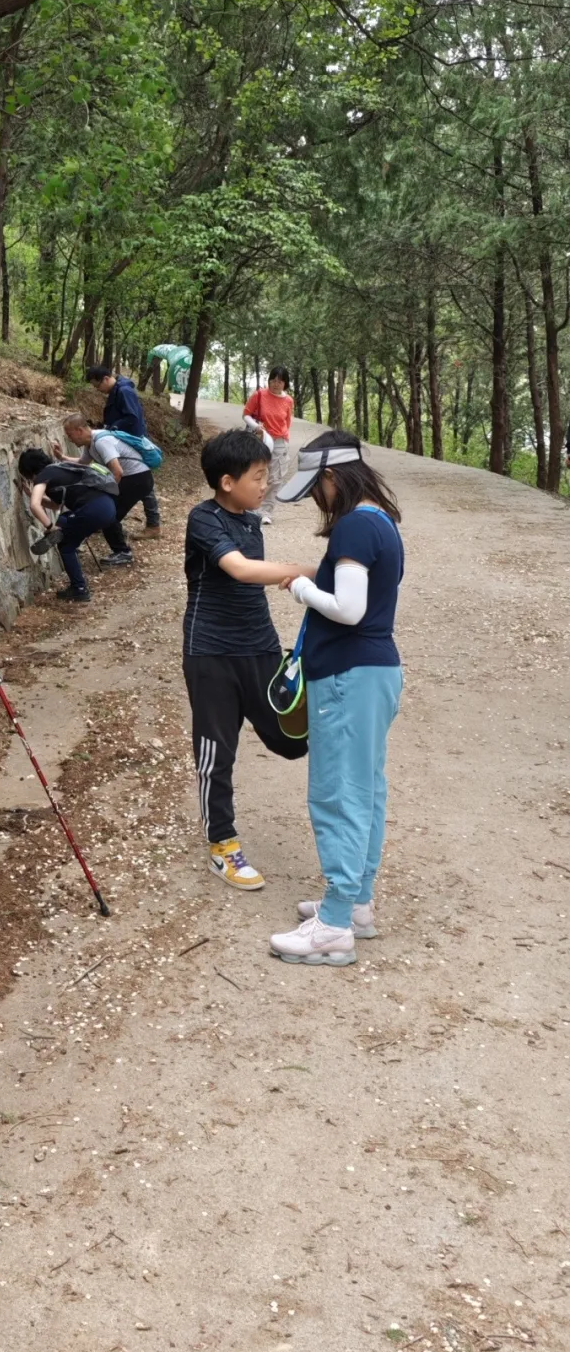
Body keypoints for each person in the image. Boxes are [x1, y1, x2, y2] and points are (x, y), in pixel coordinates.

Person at [268, 431, 404, 967]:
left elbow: (347, 609)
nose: (316, 502)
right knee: (365, 789)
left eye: (317, 489)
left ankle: (334, 925)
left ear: (333, 477)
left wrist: (301, 588)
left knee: (338, 794)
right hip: (374, 672)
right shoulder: (382, 523)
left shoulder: (352, 527)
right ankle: (356, 903)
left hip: (348, 676)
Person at [183, 429, 309, 890]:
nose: (266, 485)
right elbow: (239, 569)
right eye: (258, 477)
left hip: (259, 645)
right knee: (217, 751)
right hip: (211, 652)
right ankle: (223, 843)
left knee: (293, 737)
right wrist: (314, 570)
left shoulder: (252, 522)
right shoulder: (204, 518)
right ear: (226, 481)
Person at [18, 445, 117, 605]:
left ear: (30, 471)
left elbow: (34, 506)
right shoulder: (59, 469)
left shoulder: (43, 475)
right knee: (64, 519)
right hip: (108, 507)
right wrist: (33, 495)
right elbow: (56, 505)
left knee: (66, 545)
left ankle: (79, 588)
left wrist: (50, 526)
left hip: (92, 510)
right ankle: (59, 532)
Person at [56, 415, 154, 568]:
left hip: (137, 479)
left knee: (108, 513)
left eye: (69, 434)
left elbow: (117, 471)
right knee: (107, 511)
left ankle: (123, 552)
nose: (69, 439)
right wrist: (61, 457)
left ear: (79, 430)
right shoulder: (90, 443)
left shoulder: (101, 442)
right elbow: (82, 463)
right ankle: (120, 549)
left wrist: (106, 493)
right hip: (133, 478)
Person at [86, 364, 162, 537]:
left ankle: (153, 525)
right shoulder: (117, 391)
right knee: (139, 480)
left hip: (132, 440)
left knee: (142, 479)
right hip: (124, 439)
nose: (98, 390)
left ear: (106, 379)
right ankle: (108, 517)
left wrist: (111, 428)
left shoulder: (124, 392)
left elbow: (132, 417)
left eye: (97, 385)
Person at [243, 366, 294, 523]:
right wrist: (256, 426)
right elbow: (246, 415)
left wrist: (285, 440)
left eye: (279, 381)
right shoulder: (259, 395)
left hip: (279, 441)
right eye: (273, 380)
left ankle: (266, 511)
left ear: (285, 383)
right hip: (260, 439)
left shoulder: (288, 401)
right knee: (257, 474)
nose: (275, 384)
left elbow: (287, 422)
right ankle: (253, 508)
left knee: (276, 478)